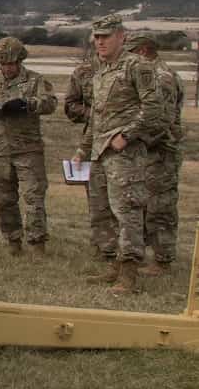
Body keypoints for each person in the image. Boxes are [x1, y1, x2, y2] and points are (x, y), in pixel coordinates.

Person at [75, 15, 162, 294]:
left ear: (121, 36)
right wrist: (83, 149)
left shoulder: (137, 66)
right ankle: (113, 264)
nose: (99, 41)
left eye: (106, 36)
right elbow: (97, 117)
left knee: (127, 211)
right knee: (102, 212)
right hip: (100, 154)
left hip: (124, 155)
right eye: (96, 37)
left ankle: (129, 275)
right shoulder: (101, 70)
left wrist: (127, 135)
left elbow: (153, 109)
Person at [0, 37, 57, 255]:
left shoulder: (36, 80)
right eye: (2, 64)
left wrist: (28, 104)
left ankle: (37, 244)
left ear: (19, 62)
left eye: (10, 64)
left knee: (33, 198)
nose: (6, 68)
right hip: (0, 150)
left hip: (28, 150)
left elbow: (50, 103)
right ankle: (13, 241)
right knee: (3, 198)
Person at [127, 31, 184, 275]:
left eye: (130, 52)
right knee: (144, 205)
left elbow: (162, 119)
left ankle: (162, 260)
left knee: (160, 206)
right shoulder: (150, 74)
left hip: (160, 151)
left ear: (142, 51)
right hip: (147, 150)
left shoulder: (162, 77)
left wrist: (133, 138)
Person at [63, 38, 101, 261]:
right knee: (96, 197)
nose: (101, 44)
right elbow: (70, 106)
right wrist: (93, 114)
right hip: (93, 140)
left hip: (126, 142)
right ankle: (101, 247)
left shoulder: (131, 69)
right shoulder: (83, 73)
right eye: (97, 40)